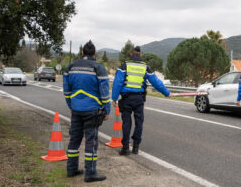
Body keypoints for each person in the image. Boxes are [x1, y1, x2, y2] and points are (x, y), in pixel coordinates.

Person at [63, 40, 111, 182]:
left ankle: (71, 169)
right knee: (91, 141)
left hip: (76, 109)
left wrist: (70, 105)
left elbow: (66, 90)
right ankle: (90, 173)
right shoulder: (98, 67)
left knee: (74, 140)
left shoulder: (70, 67)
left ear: (82, 53)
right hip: (92, 110)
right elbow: (104, 92)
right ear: (94, 54)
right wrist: (107, 110)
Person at [112, 46, 172, 155]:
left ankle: (125, 148)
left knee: (126, 123)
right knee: (139, 123)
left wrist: (114, 98)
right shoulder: (146, 67)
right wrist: (166, 93)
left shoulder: (124, 66)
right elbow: (156, 82)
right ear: (140, 55)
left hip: (126, 99)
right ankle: (136, 147)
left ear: (131, 54)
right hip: (139, 98)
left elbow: (117, 82)